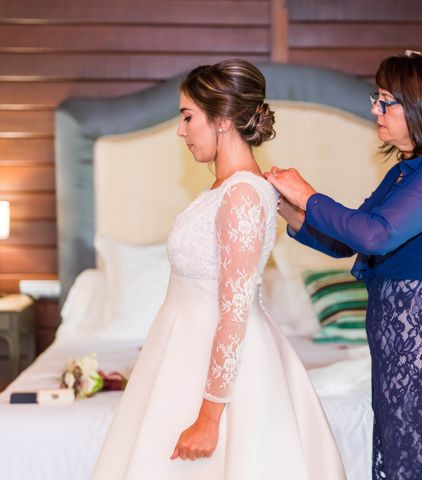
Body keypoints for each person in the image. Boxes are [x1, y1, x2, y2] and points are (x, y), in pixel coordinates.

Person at [92, 59, 346, 480]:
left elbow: (234, 311)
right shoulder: (224, 189)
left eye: (188, 116)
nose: (180, 130)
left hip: (221, 369)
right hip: (183, 353)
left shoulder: (243, 193)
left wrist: (209, 418)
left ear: (223, 119)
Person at [265, 43, 422, 479]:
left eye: (385, 101)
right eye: (377, 99)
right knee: (404, 460)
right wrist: (288, 207)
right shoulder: (407, 171)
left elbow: (376, 232)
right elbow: (349, 242)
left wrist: (308, 194)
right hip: (402, 340)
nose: (376, 110)